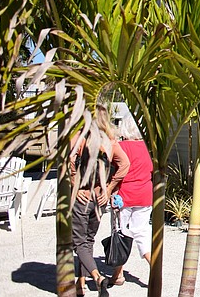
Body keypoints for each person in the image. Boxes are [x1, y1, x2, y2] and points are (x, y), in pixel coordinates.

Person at [71, 106, 130, 297]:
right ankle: (80, 286)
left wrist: (75, 184)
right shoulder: (111, 141)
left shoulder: (81, 137)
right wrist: (109, 187)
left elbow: (67, 159)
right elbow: (125, 164)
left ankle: (96, 277)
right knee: (88, 241)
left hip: (83, 197)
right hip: (100, 198)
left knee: (79, 243)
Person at [110, 115, 153, 288]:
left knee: (121, 233)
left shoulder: (120, 147)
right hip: (144, 195)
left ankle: (118, 274)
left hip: (124, 196)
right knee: (142, 232)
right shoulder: (148, 149)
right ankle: (154, 268)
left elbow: (114, 171)